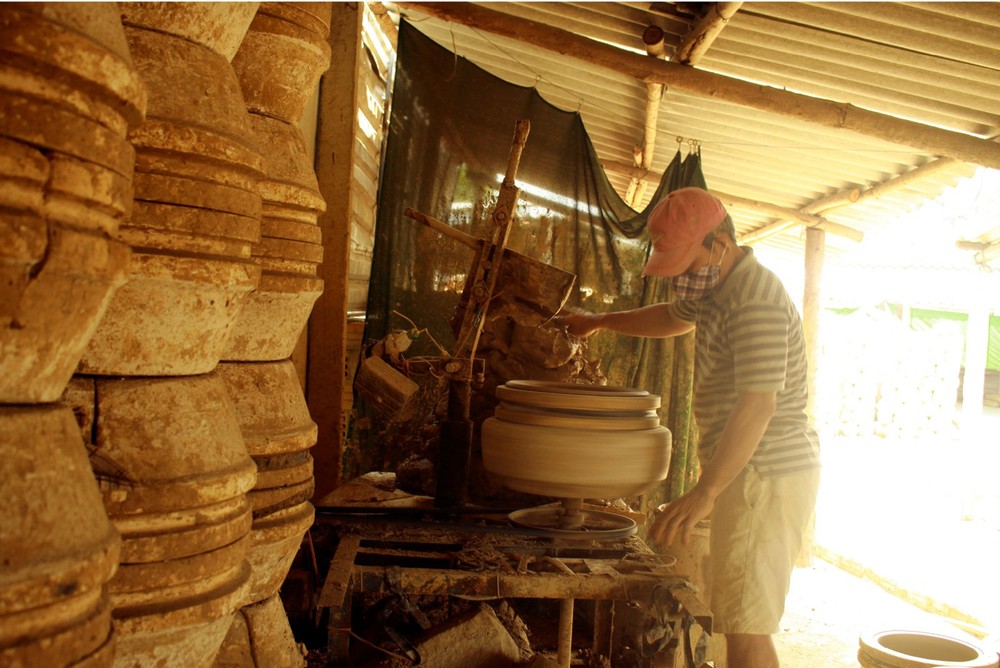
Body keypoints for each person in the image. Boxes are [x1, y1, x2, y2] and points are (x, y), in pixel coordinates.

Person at [556, 187, 820, 668]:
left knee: (746, 629)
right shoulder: (719, 285)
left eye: (686, 263)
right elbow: (673, 318)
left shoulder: (754, 299)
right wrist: (600, 321)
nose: (680, 278)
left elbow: (759, 406)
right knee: (737, 617)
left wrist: (707, 491)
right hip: (749, 470)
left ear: (719, 243)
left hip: (764, 473)